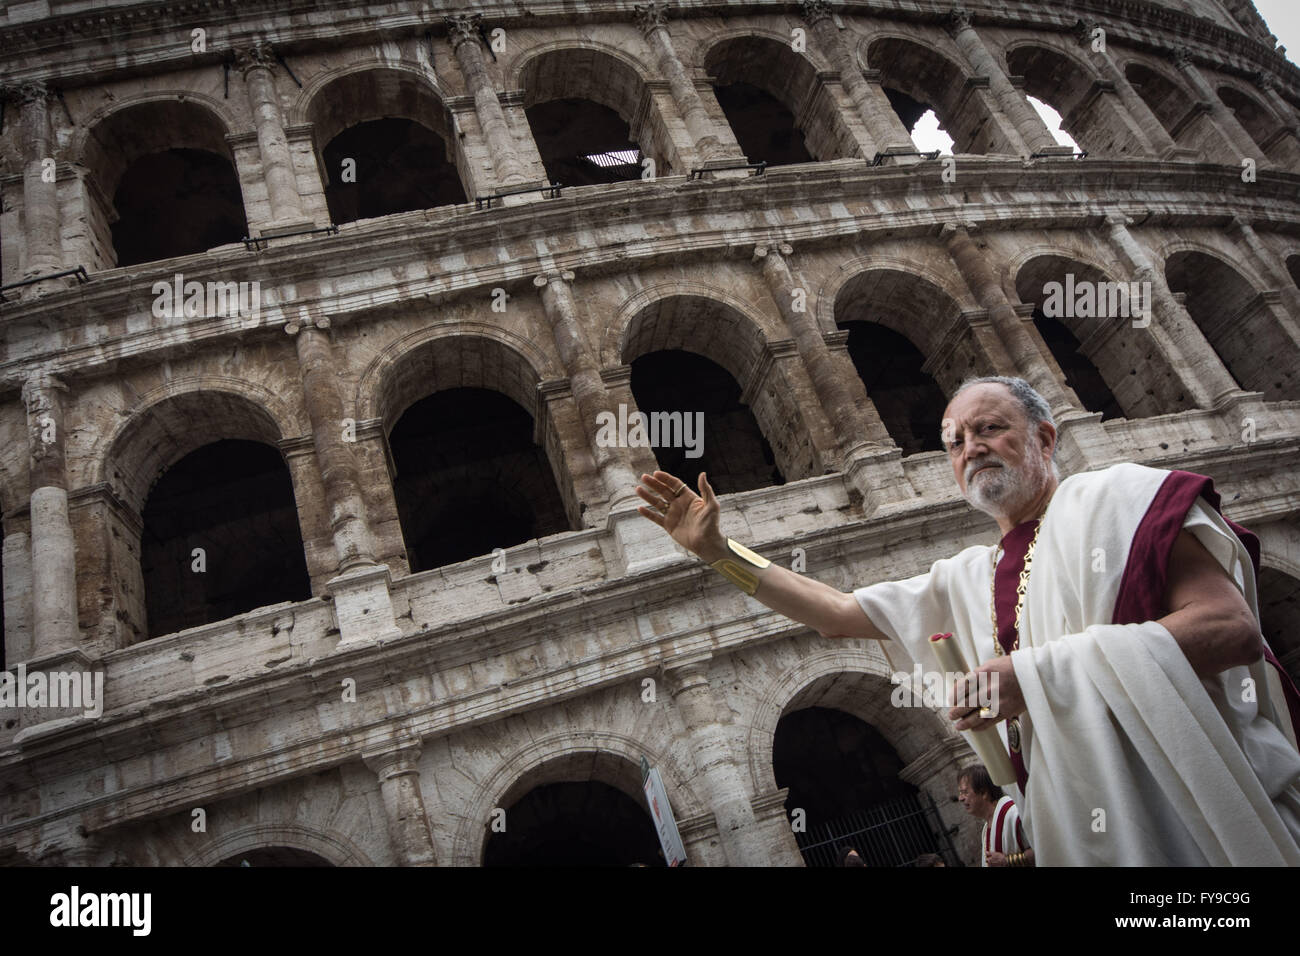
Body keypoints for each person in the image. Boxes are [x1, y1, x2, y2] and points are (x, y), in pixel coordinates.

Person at [635, 375, 1300, 865]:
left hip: (1201, 822)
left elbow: (1230, 629)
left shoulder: (1122, 501)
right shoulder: (967, 579)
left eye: (990, 428)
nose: (972, 448)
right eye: (955, 441)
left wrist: (1034, 675)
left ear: (1044, 437)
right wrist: (723, 554)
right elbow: (835, 614)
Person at [958, 764, 1032, 867]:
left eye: (965, 792)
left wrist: (1008, 861)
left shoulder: (1013, 814)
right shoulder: (986, 829)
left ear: (984, 792)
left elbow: (1045, 848)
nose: (960, 798)